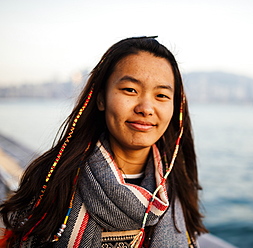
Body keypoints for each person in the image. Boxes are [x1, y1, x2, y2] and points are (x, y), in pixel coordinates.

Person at [0, 36, 207, 247]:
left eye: (161, 95)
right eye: (130, 90)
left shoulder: (178, 184)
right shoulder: (54, 182)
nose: (145, 108)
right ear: (101, 98)